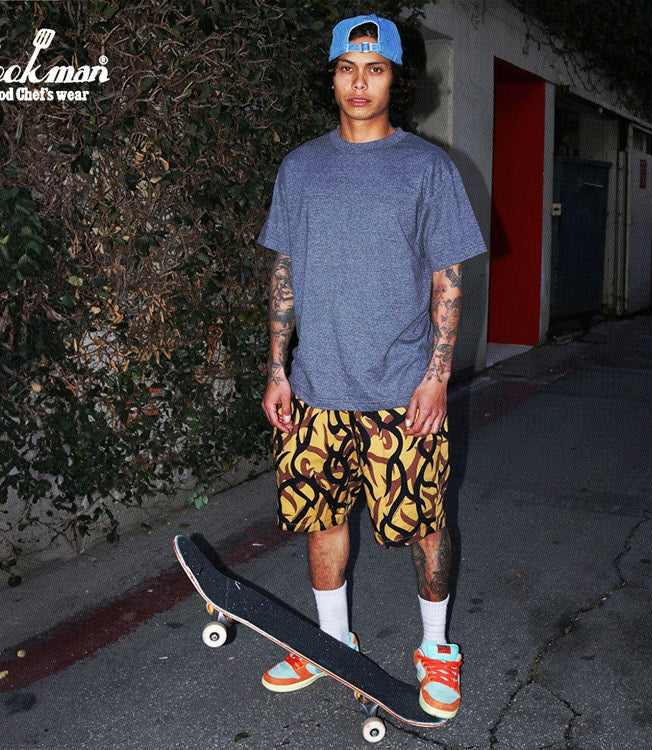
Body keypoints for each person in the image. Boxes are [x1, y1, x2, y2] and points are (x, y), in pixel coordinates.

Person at [257, 14, 485, 720]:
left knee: (425, 523)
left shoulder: (428, 168)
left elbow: (448, 279)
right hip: (316, 387)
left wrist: (438, 376)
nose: (360, 83)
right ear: (331, 77)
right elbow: (283, 271)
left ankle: (436, 649)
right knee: (323, 517)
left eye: (375, 68)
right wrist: (276, 368)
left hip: (402, 390)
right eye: (347, 68)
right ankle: (332, 642)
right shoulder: (300, 167)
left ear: (396, 79)